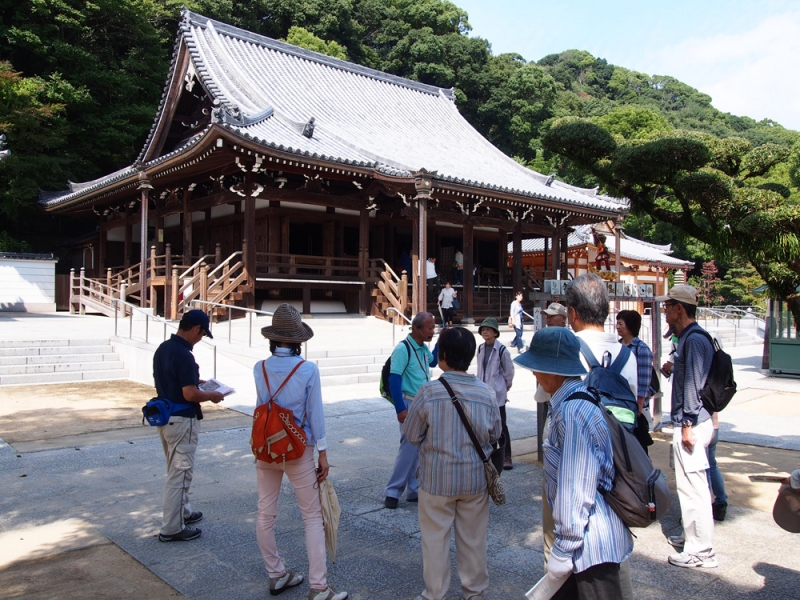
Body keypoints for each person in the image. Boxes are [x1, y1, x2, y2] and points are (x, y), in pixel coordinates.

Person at [514, 327, 633, 599]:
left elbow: (575, 484)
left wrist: (565, 546)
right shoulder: (574, 402)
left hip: (590, 547)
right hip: (587, 540)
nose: (534, 374)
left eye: (537, 367)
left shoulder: (571, 411)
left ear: (553, 369)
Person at [254, 304, 347, 600]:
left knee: (265, 512)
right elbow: (314, 413)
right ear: (298, 340)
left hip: (266, 448)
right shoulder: (307, 369)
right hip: (298, 449)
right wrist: (323, 452)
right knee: (311, 517)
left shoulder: (260, 368)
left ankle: (276, 573)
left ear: (273, 337)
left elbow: (262, 408)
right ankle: (319, 586)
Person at [405, 326, 501, 600]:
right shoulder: (487, 393)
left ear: (443, 355)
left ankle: (434, 593)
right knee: (473, 539)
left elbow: (412, 435)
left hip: (437, 480)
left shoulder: (428, 392)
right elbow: (495, 435)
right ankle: (475, 591)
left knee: (435, 539)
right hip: (474, 481)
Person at [565, 273, 637, 598]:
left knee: (566, 545)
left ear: (573, 313)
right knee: (613, 537)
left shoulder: (568, 351)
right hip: (620, 462)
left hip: (575, 461)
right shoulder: (628, 356)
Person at [658, 284, 718, 569]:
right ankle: (693, 537)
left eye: (667, 305)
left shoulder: (693, 340)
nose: (664, 310)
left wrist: (686, 424)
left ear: (679, 308)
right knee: (692, 486)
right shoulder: (692, 338)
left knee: (693, 489)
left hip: (692, 423)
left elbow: (693, 384)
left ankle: (701, 550)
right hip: (694, 421)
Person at [153, 309, 224, 542]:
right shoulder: (185, 355)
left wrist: (194, 382)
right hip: (183, 420)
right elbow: (189, 394)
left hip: (166, 417)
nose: (200, 338)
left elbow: (172, 381)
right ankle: (172, 528)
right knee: (180, 473)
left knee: (175, 469)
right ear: (196, 329)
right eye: (202, 334)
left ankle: (183, 512)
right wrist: (212, 395)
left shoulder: (163, 348)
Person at [385, 312, 439, 509]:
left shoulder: (423, 347)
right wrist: (400, 408)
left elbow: (432, 362)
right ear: (416, 328)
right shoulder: (403, 349)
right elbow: (394, 378)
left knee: (418, 448)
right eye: (430, 328)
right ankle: (393, 491)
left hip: (423, 401)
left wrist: (441, 341)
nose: (432, 331)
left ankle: (414, 489)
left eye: (434, 328)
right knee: (408, 448)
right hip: (409, 402)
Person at [476, 317, 515, 470]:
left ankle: (507, 455)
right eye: (483, 329)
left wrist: (504, 387)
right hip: (483, 392)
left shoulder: (501, 350)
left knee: (501, 425)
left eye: (488, 329)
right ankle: (490, 453)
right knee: (485, 424)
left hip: (497, 393)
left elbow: (509, 371)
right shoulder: (479, 348)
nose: (485, 331)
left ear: (495, 332)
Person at [616, 310, 655, 454]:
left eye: (621, 323)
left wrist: (639, 403)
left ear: (630, 325)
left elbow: (644, 378)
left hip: (634, 404)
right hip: (619, 401)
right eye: (617, 323)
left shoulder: (641, 349)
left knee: (637, 445)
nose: (617, 327)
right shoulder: (616, 346)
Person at [707, 412, 728, 522]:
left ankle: (703, 506)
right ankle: (721, 503)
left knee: (702, 469)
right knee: (712, 466)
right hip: (714, 426)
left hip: (700, 427)